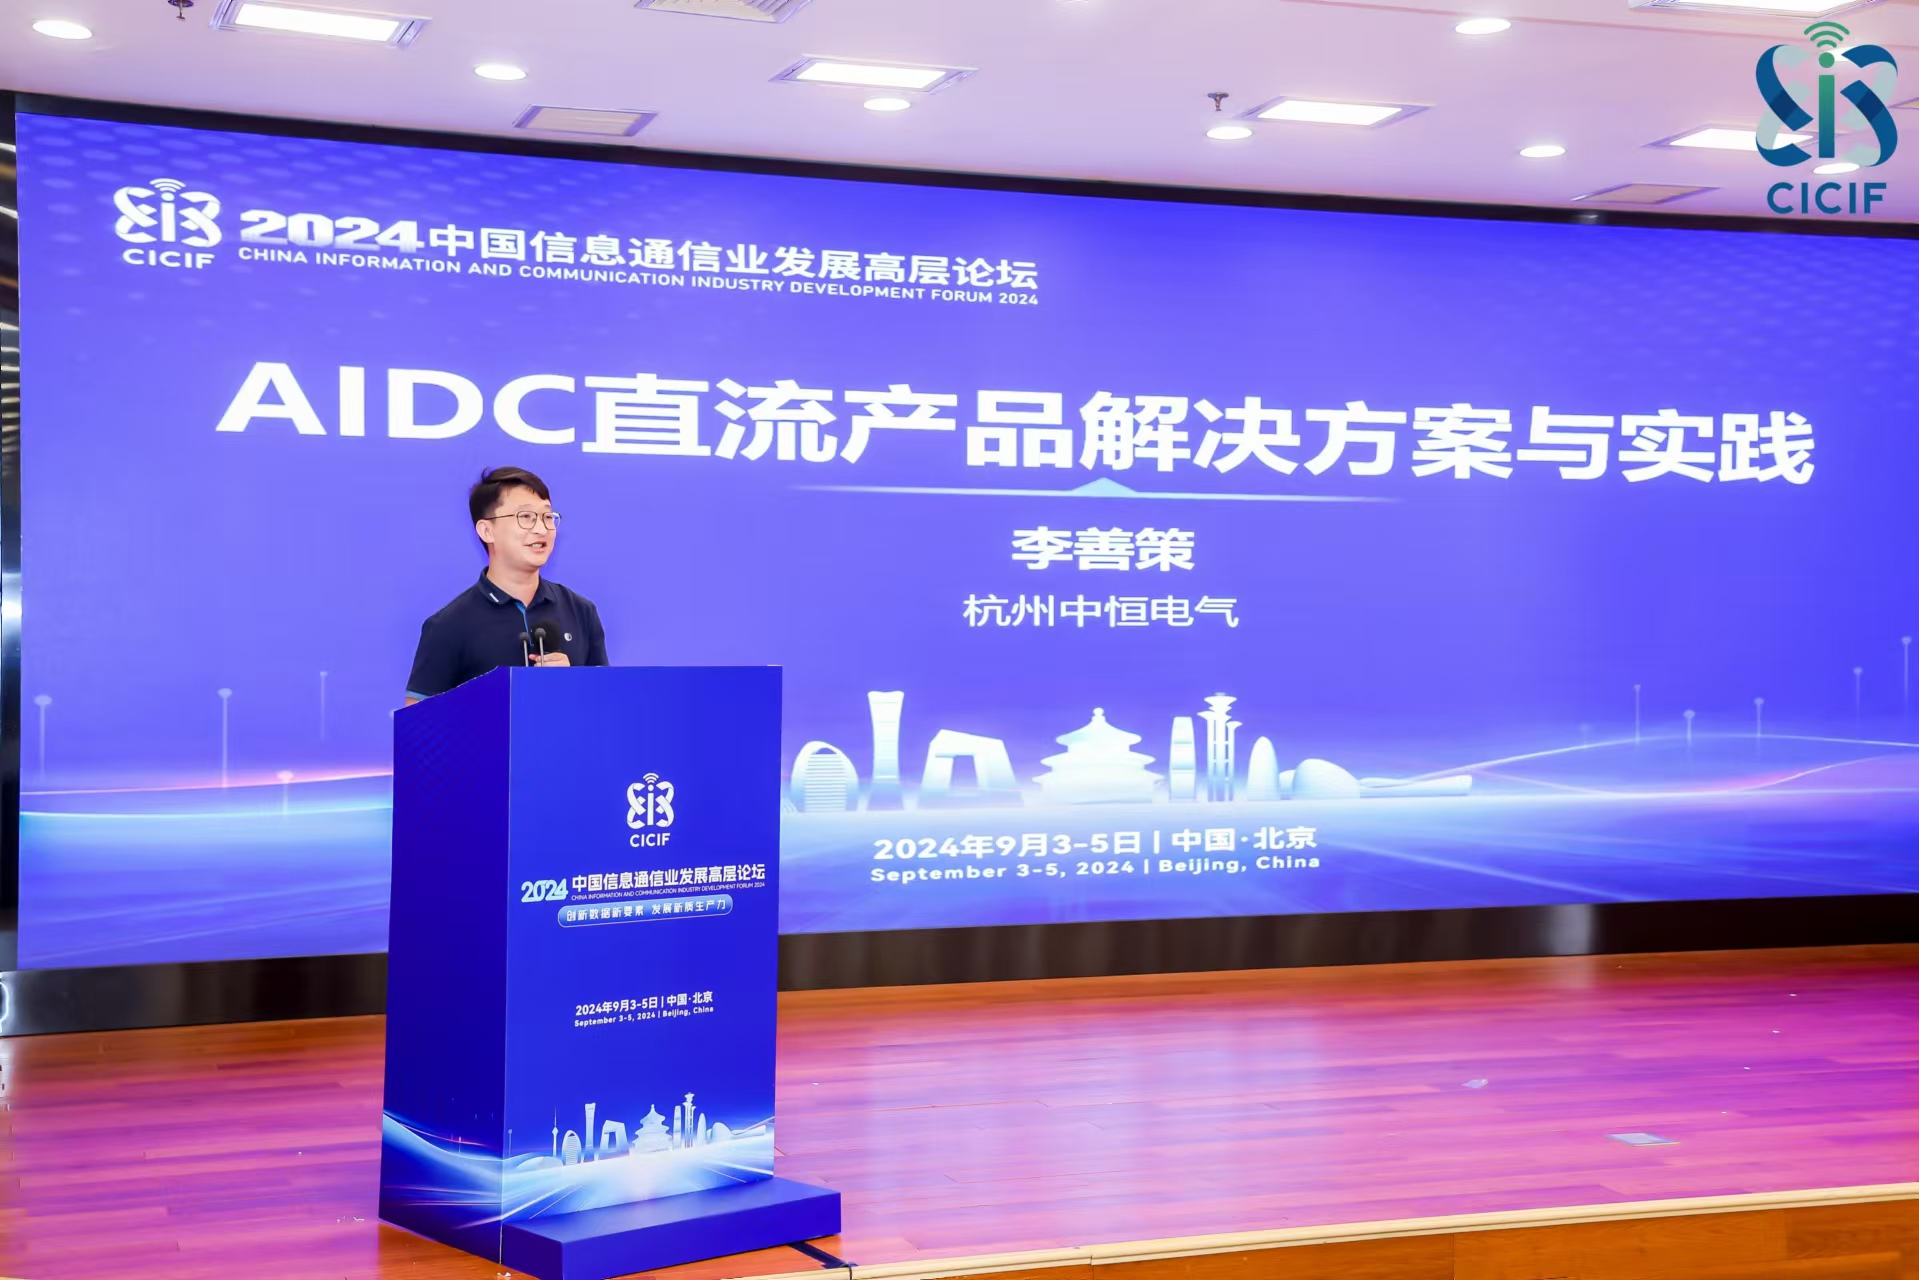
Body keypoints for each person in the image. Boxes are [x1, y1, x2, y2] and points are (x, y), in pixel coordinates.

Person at [405, 466, 608, 703]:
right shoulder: (448, 625)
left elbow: (606, 705)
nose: (541, 529)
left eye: (547, 517)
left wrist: (575, 683)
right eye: (526, 517)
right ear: (487, 531)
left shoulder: (581, 611)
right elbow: (417, 721)